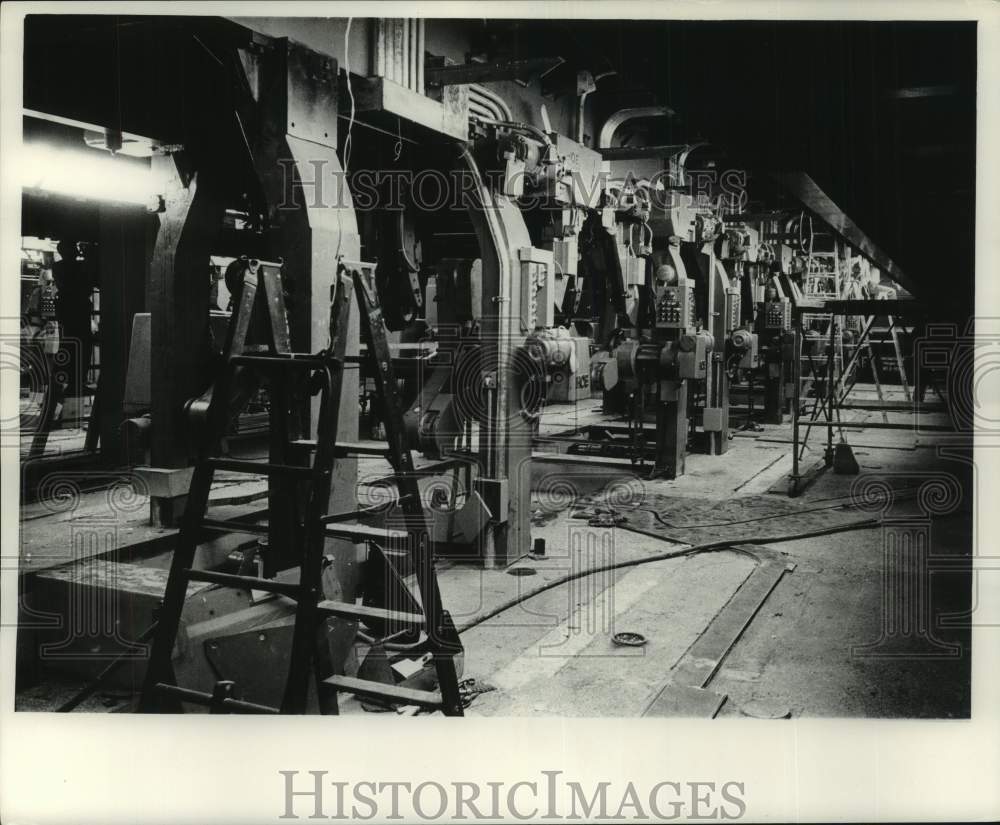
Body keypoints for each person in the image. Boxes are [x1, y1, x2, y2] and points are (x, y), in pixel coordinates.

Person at [51, 240, 96, 400]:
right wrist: (87, 255)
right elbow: (89, 282)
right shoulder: (76, 267)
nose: (77, 251)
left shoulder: (57, 267)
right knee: (82, 346)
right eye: (74, 249)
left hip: (67, 310)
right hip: (78, 309)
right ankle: (76, 384)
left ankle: (70, 383)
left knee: (70, 345)